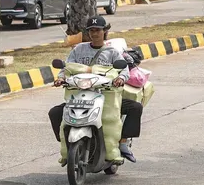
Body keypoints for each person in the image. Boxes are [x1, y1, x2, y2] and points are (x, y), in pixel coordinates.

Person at [47, 16, 143, 163]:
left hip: (107, 97)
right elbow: (68, 68)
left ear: (104, 31)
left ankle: (122, 142)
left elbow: (124, 70)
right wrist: (61, 79)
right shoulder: (79, 50)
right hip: (81, 96)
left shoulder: (111, 52)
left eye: (97, 30)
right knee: (55, 112)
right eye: (91, 30)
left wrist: (120, 79)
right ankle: (68, 144)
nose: (94, 33)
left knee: (135, 107)